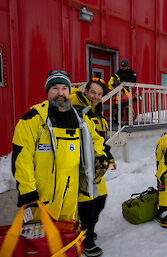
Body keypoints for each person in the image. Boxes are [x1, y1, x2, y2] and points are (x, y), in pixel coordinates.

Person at [11, 70, 107, 225]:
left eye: (64, 88)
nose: (60, 93)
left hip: (71, 195)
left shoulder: (80, 119)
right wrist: (27, 190)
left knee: (66, 233)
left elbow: (95, 138)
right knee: (42, 240)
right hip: (44, 197)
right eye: (55, 88)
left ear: (69, 91)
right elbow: (22, 158)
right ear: (47, 91)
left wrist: (100, 155)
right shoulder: (33, 120)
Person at [70, 77, 116, 257]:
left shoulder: (96, 112)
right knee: (87, 205)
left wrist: (108, 157)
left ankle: (87, 229)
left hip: (95, 164)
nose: (95, 96)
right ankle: (87, 241)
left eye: (99, 94)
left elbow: (100, 140)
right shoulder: (77, 108)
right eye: (93, 92)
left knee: (100, 200)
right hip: (80, 166)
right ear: (86, 91)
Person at [108, 58, 137, 124]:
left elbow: (133, 82)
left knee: (128, 108)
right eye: (122, 66)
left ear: (128, 66)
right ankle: (118, 121)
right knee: (119, 108)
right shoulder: (119, 72)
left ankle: (129, 122)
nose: (123, 68)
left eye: (125, 66)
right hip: (120, 93)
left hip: (128, 93)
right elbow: (116, 78)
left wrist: (124, 83)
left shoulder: (131, 73)